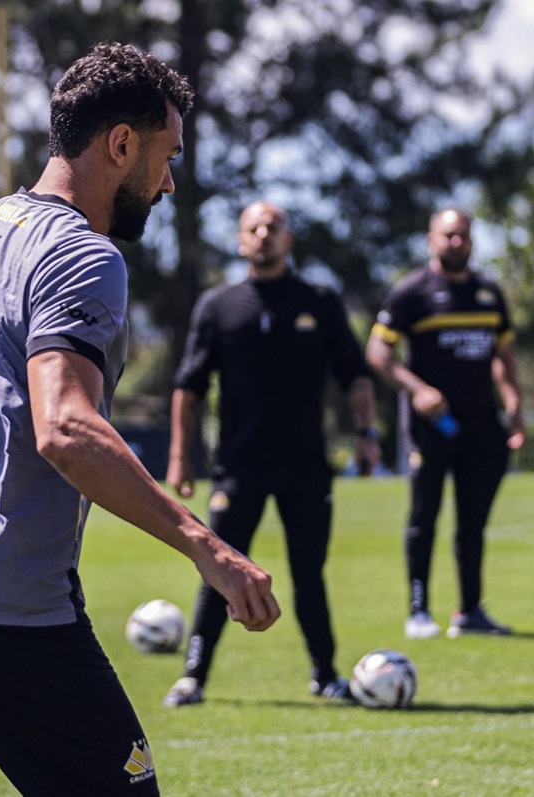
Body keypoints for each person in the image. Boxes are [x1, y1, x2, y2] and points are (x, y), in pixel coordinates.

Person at [0, 43, 280, 797]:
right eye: (166, 156)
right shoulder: (85, 256)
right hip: (6, 617)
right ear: (121, 144)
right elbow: (66, 430)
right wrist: (206, 546)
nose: (169, 181)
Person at [161, 200, 381, 707]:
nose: (263, 234)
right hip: (238, 468)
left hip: (306, 468)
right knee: (219, 568)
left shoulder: (319, 301)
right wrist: (179, 457)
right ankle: (193, 676)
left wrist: (367, 433)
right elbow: (188, 388)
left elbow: (356, 376)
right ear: (241, 241)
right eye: (253, 228)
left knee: (309, 577)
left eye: (273, 227)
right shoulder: (217, 306)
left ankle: (325, 675)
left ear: (288, 239)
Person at [366, 208, 526, 640]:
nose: (457, 242)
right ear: (431, 239)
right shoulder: (411, 293)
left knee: (473, 523)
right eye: (449, 235)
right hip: (430, 429)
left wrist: (514, 405)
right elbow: (378, 353)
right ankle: (418, 611)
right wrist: (417, 389)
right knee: (424, 517)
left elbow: (504, 356)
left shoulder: (489, 293)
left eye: (464, 235)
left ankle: (470, 611)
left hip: (482, 427)